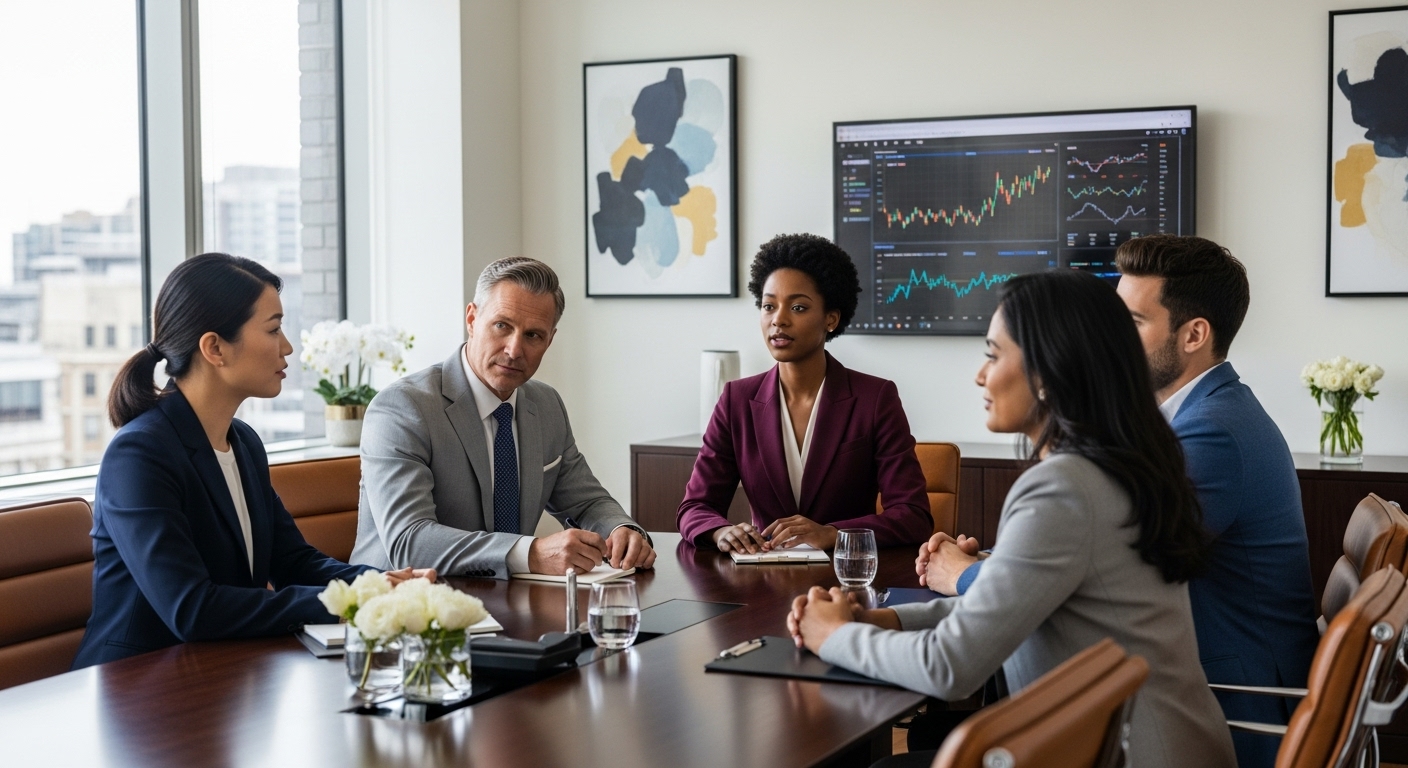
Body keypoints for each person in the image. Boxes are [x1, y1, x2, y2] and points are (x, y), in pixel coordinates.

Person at [788, 270, 1236, 768]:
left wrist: (834, 635)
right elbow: (1005, 609)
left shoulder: (1064, 489)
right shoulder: (1121, 465)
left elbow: (949, 667)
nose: (981, 375)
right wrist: (884, 620)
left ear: (1048, 371)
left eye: (993, 354)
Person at [922, 235, 1317, 768]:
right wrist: (1005, 561)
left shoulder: (1213, 434)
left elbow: (1119, 561)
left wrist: (965, 575)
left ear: (1194, 334)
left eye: (1130, 323)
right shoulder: (1200, 415)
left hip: (1232, 704)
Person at [74, 254, 432, 670]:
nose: (287, 347)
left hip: (221, 671)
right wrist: (353, 601)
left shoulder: (242, 442)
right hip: (137, 686)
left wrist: (381, 584)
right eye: (274, 329)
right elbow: (192, 609)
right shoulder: (138, 456)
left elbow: (292, 561)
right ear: (214, 348)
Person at [352, 257, 655, 578]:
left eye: (533, 335)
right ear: (472, 319)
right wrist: (531, 553)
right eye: (502, 326)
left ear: (550, 340)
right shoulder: (403, 407)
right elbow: (409, 543)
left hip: (508, 600)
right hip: (404, 607)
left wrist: (621, 530)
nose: (514, 349)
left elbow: (586, 501)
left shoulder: (546, 404)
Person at [676, 233, 932, 553]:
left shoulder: (875, 398)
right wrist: (719, 532)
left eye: (798, 307)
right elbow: (695, 507)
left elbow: (913, 515)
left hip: (845, 581)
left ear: (831, 319)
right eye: (769, 306)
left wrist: (832, 533)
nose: (778, 320)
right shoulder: (736, 401)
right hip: (761, 580)